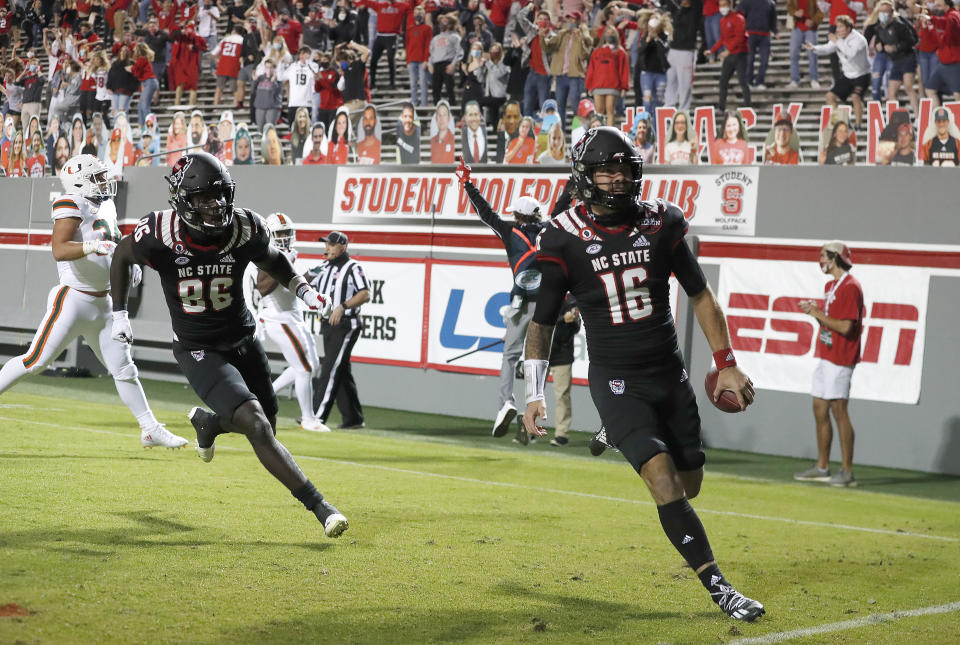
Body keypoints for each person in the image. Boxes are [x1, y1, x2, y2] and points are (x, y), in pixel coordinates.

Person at [520, 126, 764, 622]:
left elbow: (700, 294)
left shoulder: (663, 222)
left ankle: (625, 432)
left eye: (623, 167)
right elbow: (541, 324)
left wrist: (728, 363)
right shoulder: (561, 237)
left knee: (689, 481)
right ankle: (722, 590)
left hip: (667, 373)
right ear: (585, 176)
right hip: (615, 378)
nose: (616, 178)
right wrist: (533, 392)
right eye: (605, 169)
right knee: (662, 483)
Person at [109, 151, 348, 538]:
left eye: (220, 194)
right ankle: (321, 506)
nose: (215, 204)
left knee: (266, 425)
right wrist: (119, 314)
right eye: (204, 197)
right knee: (255, 423)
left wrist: (305, 291)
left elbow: (274, 260)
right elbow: (121, 256)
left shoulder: (244, 227)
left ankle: (210, 424)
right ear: (184, 198)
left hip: (244, 338)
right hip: (199, 348)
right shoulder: (160, 232)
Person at [0, 154, 187, 449]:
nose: (104, 181)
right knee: (34, 361)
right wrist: (92, 245)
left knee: (125, 369)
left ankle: (150, 429)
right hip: (72, 300)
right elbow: (59, 250)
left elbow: (113, 244)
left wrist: (129, 265)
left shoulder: (107, 204)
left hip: (103, 304)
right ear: (79, 181)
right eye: (97, 177)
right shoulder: (70, 203)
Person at [456, 161, 546, 442]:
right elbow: (567, 203)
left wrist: (467, 184)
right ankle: (531, 424)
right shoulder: (550, 229)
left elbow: (486, 213)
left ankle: (505, 403)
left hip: (520, 302)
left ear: (518, 216)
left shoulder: (510, 233)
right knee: (537, 362)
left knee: (510, 356)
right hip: (547, 303)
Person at [795, 241, 863, 488]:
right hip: (826, 354)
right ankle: (822, 467)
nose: (820, 260)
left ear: (835, 257)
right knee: (819, 408)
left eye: (824, 256)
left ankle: (847, 472)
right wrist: (815, 312)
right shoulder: (831, 286)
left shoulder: (851, 287)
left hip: (841, 358)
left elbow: (846, 326)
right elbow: (831, 322)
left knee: (838, 411)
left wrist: (816, 313)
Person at [258, 213, 325, 433]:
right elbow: (264, 286)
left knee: (310, 365)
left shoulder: (287, 253)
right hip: (279, 317)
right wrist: (284, 263)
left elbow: (290, 285)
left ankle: (262, 399)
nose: (285, 237)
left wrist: (308, 275)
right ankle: (308, 418)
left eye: (288, 233)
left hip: (293, 315)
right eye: (281, 233)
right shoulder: (267, 255)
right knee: (304, 368)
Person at [308, 231, 370, 430]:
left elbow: (365, 294)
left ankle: (316, 416)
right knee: (340, 369)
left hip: (345, 323)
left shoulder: (353, 267)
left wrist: (342, 306)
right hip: (327, 323)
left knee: (330, 368)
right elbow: (303, 282)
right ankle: (353, 418)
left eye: (331, 245)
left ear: (343, 247)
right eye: (326, 244)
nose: (327, 248)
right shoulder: (323, 266)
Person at [805, 14, 870, 129]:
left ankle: (858, 125)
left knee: (855, 97)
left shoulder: (859, 40)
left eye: (840, 27)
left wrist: (836, 41)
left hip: (862, 75)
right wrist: (814, 48)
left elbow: (850, 54)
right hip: (847, 75)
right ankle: (843, 122)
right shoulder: (838, 38)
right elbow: (828, 48)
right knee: (830, 96)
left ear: (848, 28)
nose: (838, 30)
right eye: (837, 27)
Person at [547, 296, 580, 447]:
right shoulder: (544, 295)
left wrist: (571, 320)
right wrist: (562, 319)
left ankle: (562, 434)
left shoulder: (573, 300)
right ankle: (529, 430)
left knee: (562, 395)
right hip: (541, 351)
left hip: (562, 355)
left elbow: (576, 326)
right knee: (534, 392)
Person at [711, 0, 752, 113]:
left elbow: (740, 38)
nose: (722, 8)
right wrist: (712, 50)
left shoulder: (738, 18)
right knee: (723, 81)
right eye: (720, 5)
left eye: (724, 5)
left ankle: (748, 107)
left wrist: (728, 51)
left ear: (730, 5)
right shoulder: (722, 20)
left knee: (742, 81)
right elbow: (722, 38)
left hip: (740, 54)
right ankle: (721, 107)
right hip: (730, 54)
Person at [787, 0, 824, 89]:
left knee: (812, 54)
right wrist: (795, 13)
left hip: (810, 28)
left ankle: (814, 79)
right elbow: (789, 7)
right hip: (797, 27)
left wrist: (813, 21)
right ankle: (794, 79)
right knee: (793, 54)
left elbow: (821, 11)